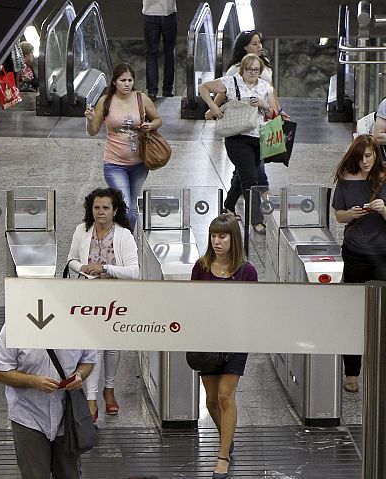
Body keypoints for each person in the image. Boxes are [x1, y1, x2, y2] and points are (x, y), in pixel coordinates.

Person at [191, 213, 258, 479]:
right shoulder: (201, 267)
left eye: (222, 236)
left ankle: (222, 456)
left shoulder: (247, 271)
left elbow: (252, 307)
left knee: (225, 396)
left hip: (236, 339)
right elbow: (192, 301)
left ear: (233, 239)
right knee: (210, 400)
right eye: (213, 236)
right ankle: (226, 439)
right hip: (207, 339)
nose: (216, 241)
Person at [67, 187, 139, 421]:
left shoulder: (124, 235)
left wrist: (105, 268)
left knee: (112, 345)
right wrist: (83, 268)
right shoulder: (82, 231)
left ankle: (109, 388)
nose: (100, 211)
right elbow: (71, 260)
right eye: (96, 207)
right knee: (93, 346)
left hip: (114, 298)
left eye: (106, 207)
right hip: (88, 297)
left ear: (115, 211)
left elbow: (134, 271)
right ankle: (91, 398)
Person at [0, 324, 97, 478]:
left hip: (67, 417)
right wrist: (33, 381)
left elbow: (88, 360)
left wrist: (79, 374)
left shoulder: (79, 324)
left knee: (69, 473)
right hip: (28, 416)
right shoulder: (16, 325)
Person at [210, 31, 290, 217]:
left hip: (263, 122)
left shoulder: (265, 65)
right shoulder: (235, 70)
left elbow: (271, 91)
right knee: (251, 172)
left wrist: (278, 110)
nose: (259, 46)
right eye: (255, 43)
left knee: (244, 171)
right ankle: (259, 211)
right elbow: (224, 90)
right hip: (243, 125)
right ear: (245, 46)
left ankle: (229, 206)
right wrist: (213, 108)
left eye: (260, 43)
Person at [199, 53, 279, 234]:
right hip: (236, 137)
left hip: (258, 137)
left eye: (256, 70)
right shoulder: (231, 82)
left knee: (241, 174)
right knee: (250, 179)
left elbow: (273, 114)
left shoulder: (265, 87)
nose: (252, 73)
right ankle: (256, 220)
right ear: (242, 70)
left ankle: (228, 206)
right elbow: (203, 87)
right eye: (249, 69)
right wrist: (213, 107)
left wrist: (264, 104)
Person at [332, 134, 386, 394]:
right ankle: (351, 372)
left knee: (381, 314)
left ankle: (379, 370)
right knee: (353, 313)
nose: (365, 162)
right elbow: (339, 215)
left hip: (383, 253)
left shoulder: (384, 179)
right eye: (360, 157)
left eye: (369, 156)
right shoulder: (345, 180)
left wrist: (383, 209)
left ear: (376, 155)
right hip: (355, 252)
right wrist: (350, 214)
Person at [85, 62, 162, 231]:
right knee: (125, 207)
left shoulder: (141, 98)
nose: (127, 84)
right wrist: (90, 120)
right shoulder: (106, 101)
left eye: (129, 80)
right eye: (122, 80)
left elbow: (158, 119)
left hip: (140, 163)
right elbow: (93, 130)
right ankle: (123, 239)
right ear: (114, 82)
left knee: (132, 209)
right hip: (114, 164)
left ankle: (126, 239)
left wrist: (151, 125)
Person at [142, 0, 177, 100]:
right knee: (169, 52)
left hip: (149, 12)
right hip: (168, 11)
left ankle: (152, 92)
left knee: (151, 53)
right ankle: (167, 90)